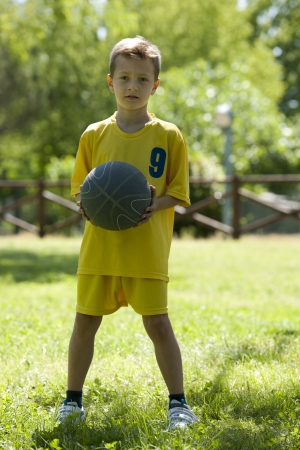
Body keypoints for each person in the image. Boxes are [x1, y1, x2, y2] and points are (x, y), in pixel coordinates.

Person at [57, 36, 199, 430]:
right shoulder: (93, 134)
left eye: (141, 79)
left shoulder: (169, 136)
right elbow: (80, 192)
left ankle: (179, 405)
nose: (132, 86)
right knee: (85, 322)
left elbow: (178, 193)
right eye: (124, 78)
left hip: (146, 252)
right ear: (110, 82)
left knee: (157, 324)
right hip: (100, 251)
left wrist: (154, 204)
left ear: (155, 85)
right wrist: (89, 205)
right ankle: (72, 402)